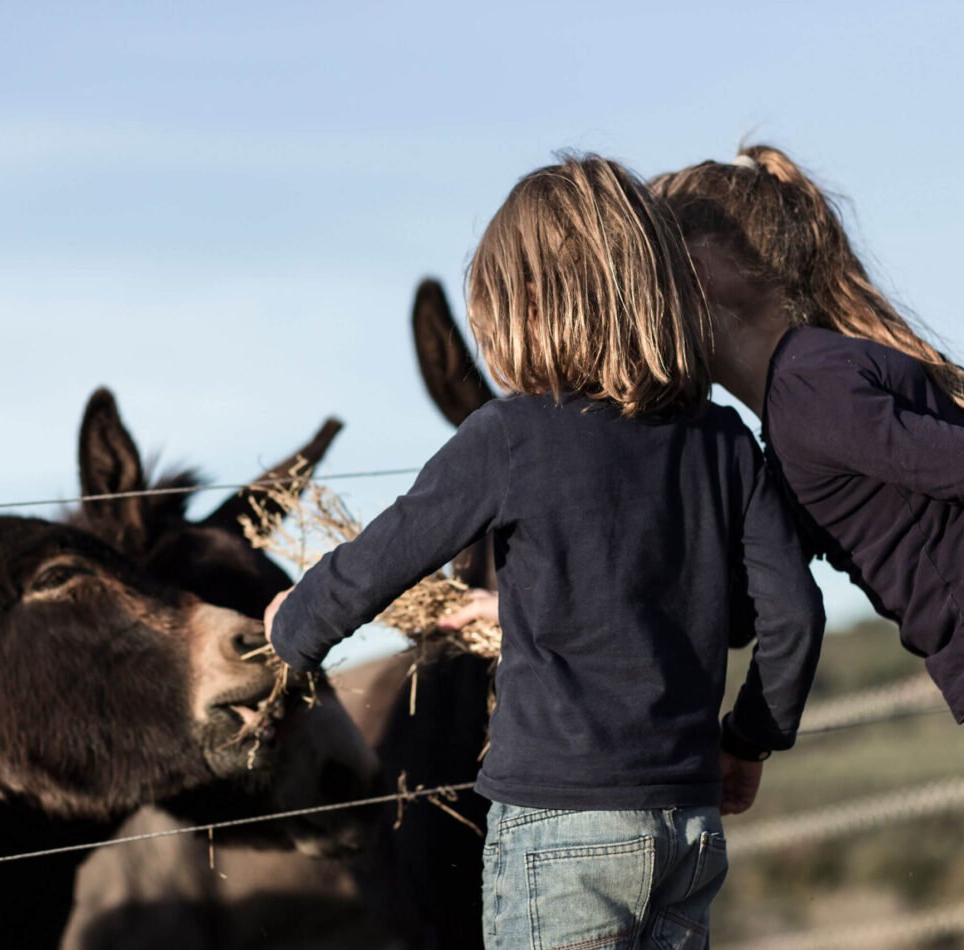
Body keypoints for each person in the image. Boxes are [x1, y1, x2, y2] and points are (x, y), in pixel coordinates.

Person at [264, 155, 825, 949]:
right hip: (689, 825)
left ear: (531, 305)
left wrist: (295, 624)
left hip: (562, 832)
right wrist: (747, 740)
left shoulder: (512, 435)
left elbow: (387, 552)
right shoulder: (723, 442)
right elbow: (794, 617)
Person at [649, 145, 964, 722]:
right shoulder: (801, 403)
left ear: (703, 272)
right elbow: (750, 606)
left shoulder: (810, 393)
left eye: (649, 275)